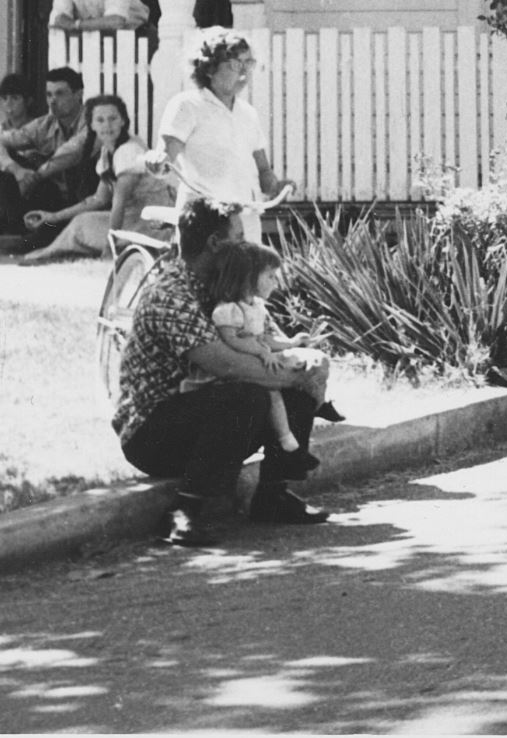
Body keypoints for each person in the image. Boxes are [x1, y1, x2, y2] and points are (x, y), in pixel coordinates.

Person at [111, 198, 336, 546]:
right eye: (238, 235)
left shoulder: (235, 288)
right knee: (247, 393)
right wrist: (300, 376)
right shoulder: (171, 294)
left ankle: (273, 497)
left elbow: (267, 344)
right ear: (215, 244)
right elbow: (224, 365)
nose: (246, 244)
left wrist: (304, 365)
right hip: (153, 433)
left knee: (291, 376)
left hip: (204, 414)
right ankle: (184, 512)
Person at [182, 241, 322, 478]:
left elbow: (265, 336)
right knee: (273, 393)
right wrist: (261, 351)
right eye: (270, 276)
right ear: (249, 278)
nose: (275, 282)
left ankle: (293, 454)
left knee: (299, 376)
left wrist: (291, 343)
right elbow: (232, 340)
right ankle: (289, 444)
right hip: (236, 367)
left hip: (257, 357)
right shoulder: (228, 310)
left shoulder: (256, 306)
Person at [159, 28, 286, 245]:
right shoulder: (188, 105)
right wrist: (157, 162)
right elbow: (165, 159)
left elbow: (263, 169)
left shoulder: (248, 113)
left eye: (249, 63)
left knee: (246, 276)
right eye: (235, 65)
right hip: (203, 215)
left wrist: (276, 186)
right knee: (204, 277)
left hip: (246, 215)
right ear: (209, 68)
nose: (244, 72)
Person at [18, 94, 172, 265]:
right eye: (100, 120)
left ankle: (53, 254)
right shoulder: (108, 151)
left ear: (123, 121)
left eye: (113, 118)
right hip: (134, 219)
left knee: (81, 226)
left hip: (151, 226)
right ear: (91, 124)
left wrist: (109, 246)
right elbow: (98, 199)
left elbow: (119, 203)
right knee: (81, 222)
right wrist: (52, 217)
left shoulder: (128, 150)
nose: (107, 125)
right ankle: (56, 252)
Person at [0, 68, 94, 235]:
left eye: (60, 94)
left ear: (78, 94)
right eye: (49, 95)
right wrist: (16, 169)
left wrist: (36, 176)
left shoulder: (94, 120)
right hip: (56, 197)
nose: (53, 101)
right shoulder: (45, 124)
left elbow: (73, 151)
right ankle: (4, 227)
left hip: (88, 198)